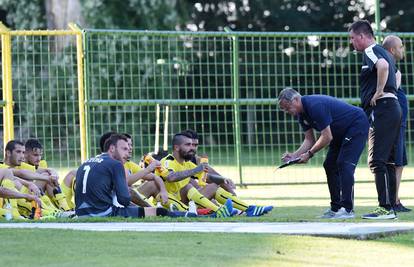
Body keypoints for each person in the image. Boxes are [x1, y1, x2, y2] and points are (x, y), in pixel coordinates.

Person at [278, 88, 369, 219]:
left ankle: (347, 209)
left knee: (344, 164)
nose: (288, 112)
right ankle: (336, 208)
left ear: (296, 100)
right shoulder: (301, 115)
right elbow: (309, 140)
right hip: (339, 134)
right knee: (329, 165)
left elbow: (327, 136)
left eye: (288, 108)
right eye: (285, 110)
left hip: (356, 124)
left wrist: (309, 154)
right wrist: (294, 155)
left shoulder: (315, 106)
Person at [74, 134, 200, 218]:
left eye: (129, 147)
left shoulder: (86, 162)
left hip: (80, 212)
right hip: (102, 213)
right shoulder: (116, 164)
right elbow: (124, 199)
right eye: (124, 149)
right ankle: (188, 214)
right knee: (158, 212)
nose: (128, 152)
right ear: (112, 149)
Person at [349, 20, 402, 219]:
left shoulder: (371, 51)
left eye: (353, 38)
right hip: (393, 108)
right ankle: (390, 207)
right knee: (387, 160)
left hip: (383, 109)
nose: (352, 42)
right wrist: (392, 92)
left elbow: (383, 67)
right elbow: (397, 73)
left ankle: (385, 208)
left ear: (363, 36)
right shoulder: (385, 51)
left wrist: (380, 91)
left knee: (376, 160)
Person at [182, 129, 273, 216]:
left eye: (195, 145)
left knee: (218, 182)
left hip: (191, 199)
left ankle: (240, 208)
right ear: (179, 146)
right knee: (205, 186)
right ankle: (238, 209)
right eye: (189, 145)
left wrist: (224, 180)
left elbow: (212, 175)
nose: (192, 148)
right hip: (180, 202)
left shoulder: (194, 160)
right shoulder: (173, 162)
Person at [382, 35, 411, 213]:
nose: (403, 50)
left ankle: (395, 199)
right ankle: (390, 200)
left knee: (399, 161)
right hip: (393, 120)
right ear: (392, 49)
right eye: (400, 47)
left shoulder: (392, 67)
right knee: (393, 161)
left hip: (398, 120)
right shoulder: (385, 65)